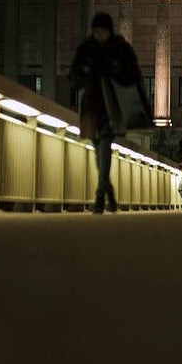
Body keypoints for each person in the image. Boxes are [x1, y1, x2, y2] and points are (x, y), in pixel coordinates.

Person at [69, 11, 147, 215]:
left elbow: (134, 75)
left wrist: (116, 69)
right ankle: (110, 194)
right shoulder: (86, 49)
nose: (99, 35)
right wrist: (86, 72)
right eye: (96, 31)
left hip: (111, 106)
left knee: (104, 146)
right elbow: (73, 77)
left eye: (102, 31)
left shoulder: (119, 49)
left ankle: (99, 197)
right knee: (99, 151)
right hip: (93, 106)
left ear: (108, 31)